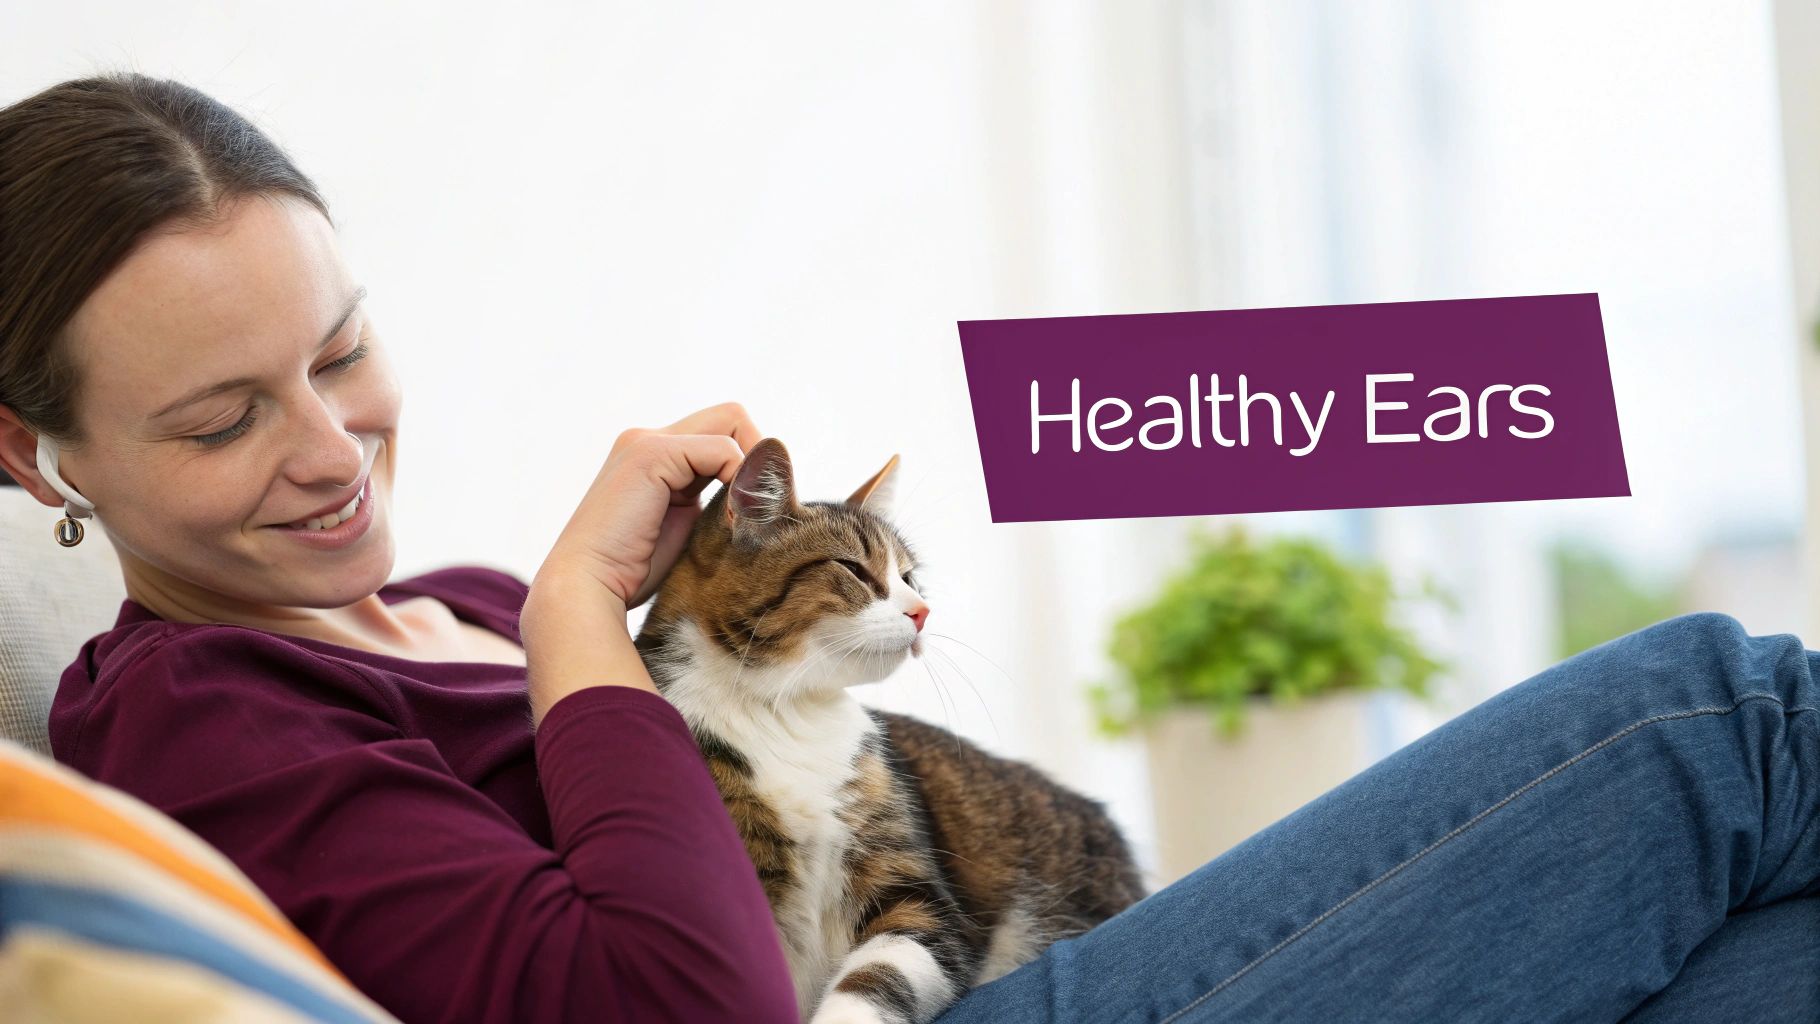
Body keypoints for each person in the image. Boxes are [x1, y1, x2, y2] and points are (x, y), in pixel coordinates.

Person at [0, 72, 1812, 1024]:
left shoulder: (448, 614)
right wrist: (575, 612)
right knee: (1723, 722)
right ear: (37, 452)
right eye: (223, 419)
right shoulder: (194, 714)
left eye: (339, 355)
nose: (334, 455)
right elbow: (686, 1005)